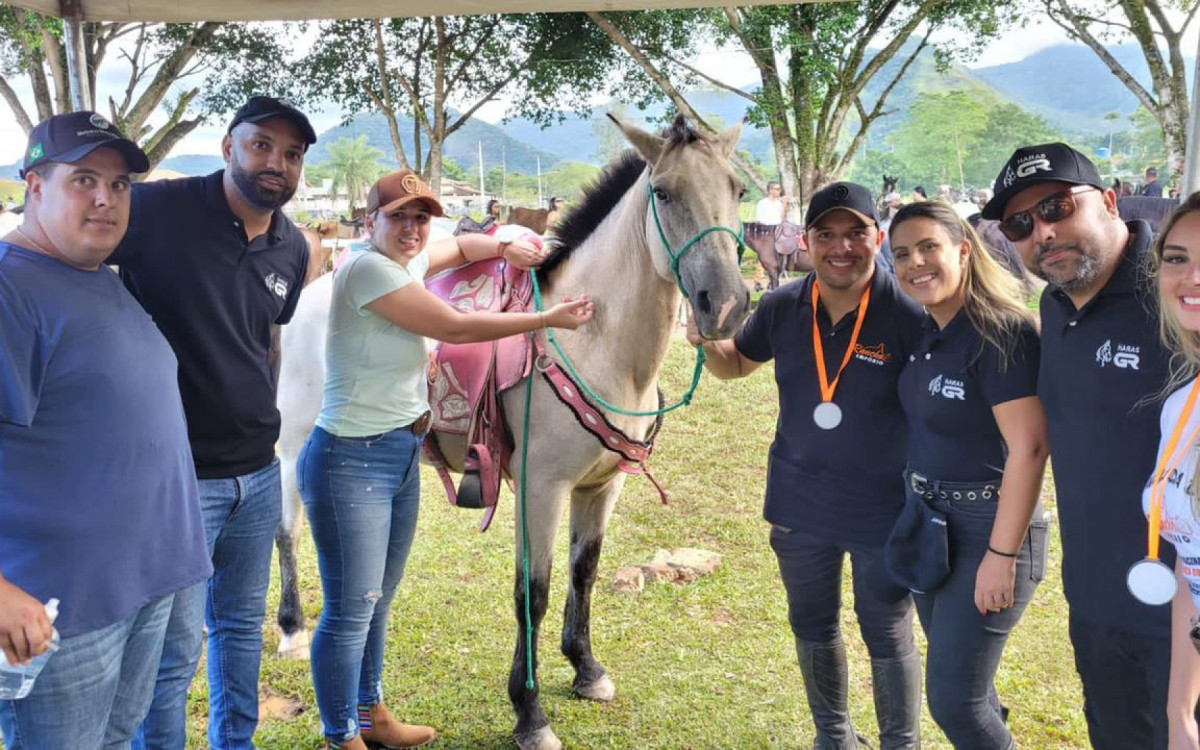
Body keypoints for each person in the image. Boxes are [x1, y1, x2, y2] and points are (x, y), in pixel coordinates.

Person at [298, 169, 593, 750]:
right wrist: (546, 319)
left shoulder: (403, 261)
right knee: (350, 609)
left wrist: (503, 244)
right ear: (370, 220)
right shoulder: (366, 269)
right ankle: (341, 735)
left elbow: (460, 247)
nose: (411, 228)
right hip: (350, 460)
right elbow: (455, 325)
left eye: (420, 217)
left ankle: (370, 713)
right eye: (398, 216)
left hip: (399, 450)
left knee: (375, 598)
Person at [687, 181, 925, 749]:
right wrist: (705, 342)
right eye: (826, 234)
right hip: (800, 501)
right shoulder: (781, 305)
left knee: (887, 632)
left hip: (886, 506)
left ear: (878, 237)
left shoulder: (911, 313)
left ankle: (900, 744)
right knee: (813, 626)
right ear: (806, 239)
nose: (840, 247)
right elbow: (737, 364)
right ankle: (833, 737)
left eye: (855, 234)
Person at [113, 95, 318, 750]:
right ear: (229, 145)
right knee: (171, 653)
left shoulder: (293, 246)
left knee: (237, 628)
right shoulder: (156, 211)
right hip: (175, 478)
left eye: (291, 154)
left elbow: (266, 342)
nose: (275, 163)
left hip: (258, 473)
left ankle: (238, 743)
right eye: (261, 145)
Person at [0, 112, 210, 749]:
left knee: (118, 741)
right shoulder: (11, 288)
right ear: (34, 185)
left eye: (119, 186)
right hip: (63, 603)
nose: (104, 198)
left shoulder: (97, 276)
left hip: (150, 575)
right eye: (83, 179)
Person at [981, 142, 1173, 749]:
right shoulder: (1055, 304)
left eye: (1058, 206)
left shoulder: (1179, 289)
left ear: (1109, 201)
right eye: (1021, 223)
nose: (1043, 231)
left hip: (1187, 608)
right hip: (1096, 599)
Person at [887, 200, 1049, 748]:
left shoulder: (1000, 332)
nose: (915, 263)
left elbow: (1028, 447)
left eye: (928, 247)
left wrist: (1002, 557)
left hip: (989, 527)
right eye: (902, 254)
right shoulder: (930, 333)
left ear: (962, 249)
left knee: (954, 702)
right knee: (972, 694)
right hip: (931, 525)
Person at [1144, 193, 1200, 747]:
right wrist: (1180, 712)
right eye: (1177, 257)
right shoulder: (1180, 404)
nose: (1192, 277)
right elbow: (1192, 563)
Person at [752, 181, 788, 290]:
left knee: (774, 258)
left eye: (779, 189)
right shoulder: (762, 203)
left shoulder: (778, 203)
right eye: (777, 189)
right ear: (770, 190)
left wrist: (784, 204)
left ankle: (770, 281)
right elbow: (759, 219)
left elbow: (781, 218)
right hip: (765, 232)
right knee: (763, 258)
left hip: (776, 231)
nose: (779, 191)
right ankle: (757, 281)